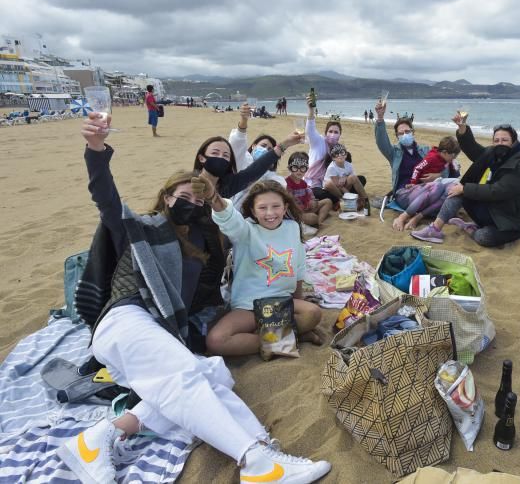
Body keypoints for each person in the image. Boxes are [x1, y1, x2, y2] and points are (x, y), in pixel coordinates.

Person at [56, 112, 331, 484]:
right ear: (166, 198)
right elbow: (105, 196)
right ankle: (256, 459)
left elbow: (230, 214)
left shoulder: (204, 241)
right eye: (182, 196)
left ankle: (100, 437)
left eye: (197, 198)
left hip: (166, 331)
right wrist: (96, 149)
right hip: (127, 318)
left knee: (212, 372)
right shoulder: (140, 229)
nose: (191, 202)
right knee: (188, 376)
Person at [197, 178, 324, 355]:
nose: (270, 213)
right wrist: (213, 197)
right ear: (252, 211)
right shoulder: (245, 230)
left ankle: (275, 337)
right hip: (249, 305)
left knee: (313, 313)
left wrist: (299, 300)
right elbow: (229, 220)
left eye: (276, 206)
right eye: (262, 208)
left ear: (285, 207)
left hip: (280, 302)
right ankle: (291, 338)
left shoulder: (292, 227)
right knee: (216, 341)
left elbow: (299, 268)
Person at [410, 114, 520, 247]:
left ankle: (471, 229)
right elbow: (474, 150)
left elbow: (498, 191)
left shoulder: (519, 165)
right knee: (457, 191)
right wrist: (463, 129)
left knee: (483, 237)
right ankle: (434, 229)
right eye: (496, 140)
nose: (500, 143)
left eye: (504, 140)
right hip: (493, 209)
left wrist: (465, 188)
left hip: (510, 221)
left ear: (513, 142)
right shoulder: (494, 155)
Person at [193, 128, 302, 200]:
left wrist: (285, 144)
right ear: (201, 158)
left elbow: (257, 168)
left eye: (226, 155)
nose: (221, 157)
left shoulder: (229, 185)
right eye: (215, 153)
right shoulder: (187, 183)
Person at [392, 136, 461, 231]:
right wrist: (413, 182)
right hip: (412, 191)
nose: (454, 158)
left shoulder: (445, 159)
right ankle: (402, 217)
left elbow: (449, 176)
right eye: (453, 156)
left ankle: (417, 217)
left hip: (430, 192)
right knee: (438, 186)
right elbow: (418, 168)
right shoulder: (432, 157)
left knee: (453, 187)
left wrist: (454, 169)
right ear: (444, 152)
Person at [304, 100, 366, 205]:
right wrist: (311, 110)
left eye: (336, 132)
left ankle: (341, 198)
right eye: (330, 131)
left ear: (340, 134)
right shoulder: (318, 142)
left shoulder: (340, 150)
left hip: (336, 183)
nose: (333, 134)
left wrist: (345, 177)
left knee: (361, 179)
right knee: (318, 194)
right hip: (316, 184)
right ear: (325, 133)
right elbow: (310, 129)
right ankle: (344, 199)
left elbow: (346, 169)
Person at [286, 151, 333, 227]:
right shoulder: (286, 184)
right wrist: (306, 207)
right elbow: (291, 204)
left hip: (306, 209)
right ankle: (316, 220)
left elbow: (310, 195)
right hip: (296, 213)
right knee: (313, 217)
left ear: (307, 169)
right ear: (289, 168)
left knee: (328, 202)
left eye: (302, 168)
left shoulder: (303, 183)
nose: (299, 171)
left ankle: (320, 222)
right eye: (295, 167)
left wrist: (313, 201)